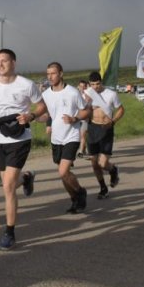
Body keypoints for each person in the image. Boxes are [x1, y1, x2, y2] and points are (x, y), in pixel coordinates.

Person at [0, 49, 47, 251]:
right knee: (9, 183)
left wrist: (31, 117)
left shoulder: (26, 85)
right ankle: (26, 178)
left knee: (8, 186)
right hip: (0, 138)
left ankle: (9, 232)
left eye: (4, 61)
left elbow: (42, 106)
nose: (0, 64)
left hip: (20, 138)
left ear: (14, 63)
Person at [37, 62, 90, 214]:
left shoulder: (73, 92)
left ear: (61, 74)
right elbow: (48, 115)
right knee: (63, 175)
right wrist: (34, 117)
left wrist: (74, 119)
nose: (50, 77)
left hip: (71, 136)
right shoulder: (46, 94)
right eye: (48, 74)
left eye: (53, 73)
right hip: (56, 138)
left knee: (63, 171)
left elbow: (86, 111)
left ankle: (80, 191)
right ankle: (74, 199)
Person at [83, 71, 124, 199]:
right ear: (89, 84)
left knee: (103, 163)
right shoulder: (86, 94)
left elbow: (121, 109)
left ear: (101, 82)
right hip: (92, 128)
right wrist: (88, 106)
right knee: (94, 163)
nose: (96, 87)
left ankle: (112, 170)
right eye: (93, 84)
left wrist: (113, 121)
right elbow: (82, 112)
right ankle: (103, 187)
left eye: (98, 83)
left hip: (106, 128)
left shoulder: (111, 94)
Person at [76, 79, 91, 158]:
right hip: (77, 118)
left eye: (84, 86)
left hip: (85, 118)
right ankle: (84, 149)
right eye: (81, 86)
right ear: (78, 87)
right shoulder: (75, 95)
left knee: (83, 135)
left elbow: (85, 106)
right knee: (80, 136)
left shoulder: (88, 96)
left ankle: (81, 151)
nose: (82, 88)